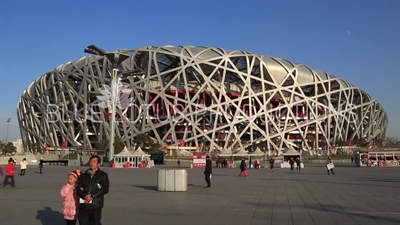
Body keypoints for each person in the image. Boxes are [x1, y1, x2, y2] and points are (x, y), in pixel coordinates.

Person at [77, 155, 109, 225]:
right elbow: (78, 189)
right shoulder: (84, 175)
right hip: (84, 204)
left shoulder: (103, 175)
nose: (92, 163)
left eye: (94, 162)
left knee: (95, 222)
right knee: (83, 222)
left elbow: (105, 188)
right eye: (91, 161)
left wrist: (92, 196)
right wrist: (85, 196)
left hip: (96, 205)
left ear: (99, 164)